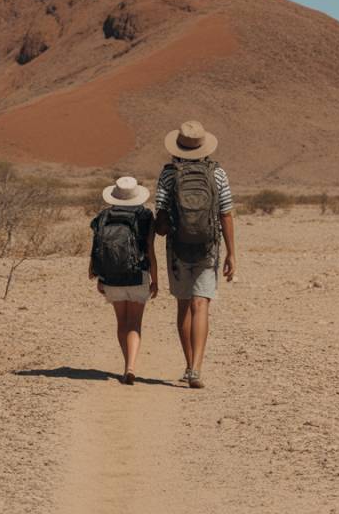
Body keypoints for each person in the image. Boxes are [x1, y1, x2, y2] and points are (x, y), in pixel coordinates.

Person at [154, 120, 235, 389]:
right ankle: (197, 369)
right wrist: (232, 253)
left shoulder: (168, 175)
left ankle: (188, 365)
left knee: (184, 305)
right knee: (201, 305)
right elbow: (226, 213)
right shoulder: (218, 174)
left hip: (178, 248)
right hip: (209, 247)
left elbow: (162, 221)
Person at [89, 176, 158, 384]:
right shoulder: (145, 216)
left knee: (122, 321)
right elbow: (150, 250)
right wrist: (155, 279)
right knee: (135, 323)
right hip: (138, 275)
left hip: (111, 277)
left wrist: (97, 275)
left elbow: (96, 249)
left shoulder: (103, 216)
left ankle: (124, 364)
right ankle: (131, 367)